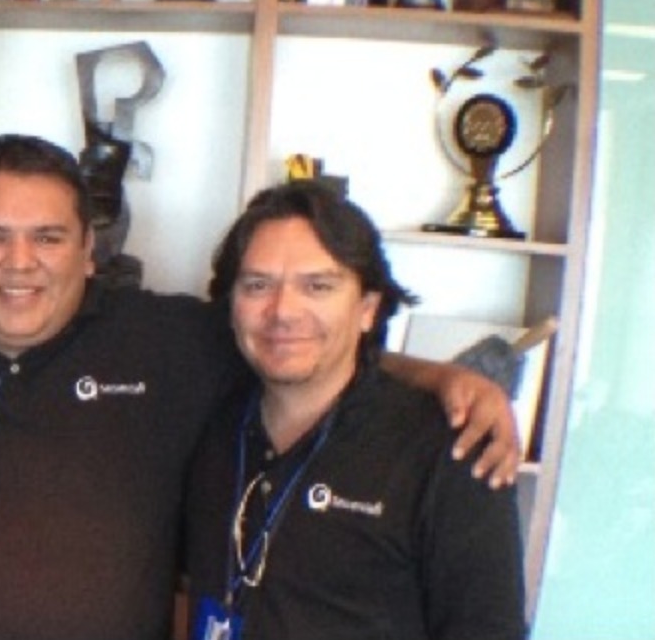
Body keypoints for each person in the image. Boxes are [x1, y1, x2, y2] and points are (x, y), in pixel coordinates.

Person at [0, 134, 521, 640]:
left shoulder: (167, 340)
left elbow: (293, 347)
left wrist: (442, 377)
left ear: (87, 253)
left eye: (48, 237)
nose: (20, 264)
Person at [184, 181, 524, 640]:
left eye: (318, 286)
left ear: (368, 307)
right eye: (258, 285)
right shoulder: (207, 420)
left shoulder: (450, 449)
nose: (283, 311)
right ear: (231, 306)